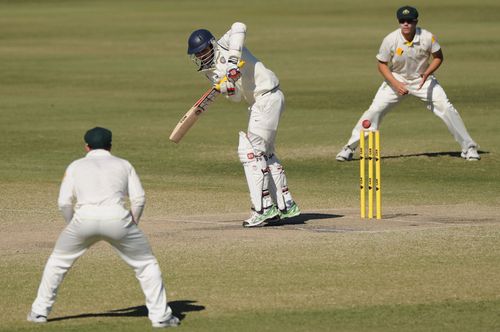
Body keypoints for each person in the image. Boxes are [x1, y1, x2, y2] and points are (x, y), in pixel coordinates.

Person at [27, 127, 179, 328]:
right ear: (110, 146)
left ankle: (39, 312)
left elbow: (64, 202)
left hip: (83, 220)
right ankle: (160, 317)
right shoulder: (124, 164)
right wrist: (133, 222)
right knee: (146, 265)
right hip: (118, 219)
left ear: (86, 146)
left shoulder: (75, 166)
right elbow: (139, 199)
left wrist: (72, 224)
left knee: (57, 263)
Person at [186, 22, 301, 227]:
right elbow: (237, 97)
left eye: (203, 50)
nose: (201, 56)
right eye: (198, 54)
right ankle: (285, 204)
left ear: (211, 45)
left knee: (250, 153)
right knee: (265, 153)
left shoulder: (225, 43)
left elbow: (240, 26)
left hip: (267, 96)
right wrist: (228, 88)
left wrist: (232, 64)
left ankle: (263, 209)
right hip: (260, 102)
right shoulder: (210, 72)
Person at [336, 6, 480, 162]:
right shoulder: (390, 39)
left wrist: (427, 73)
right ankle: (349, 148)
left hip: (422, 79)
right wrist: (396, 83)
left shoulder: (427, 37)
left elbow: (438, 57)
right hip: (397, 79)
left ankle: (469, 147)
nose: (405, 24)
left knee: (446, 107)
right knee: (374, 110)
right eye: (402, 21)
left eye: (409, 21)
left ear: (415, 22)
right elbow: (382, 64)